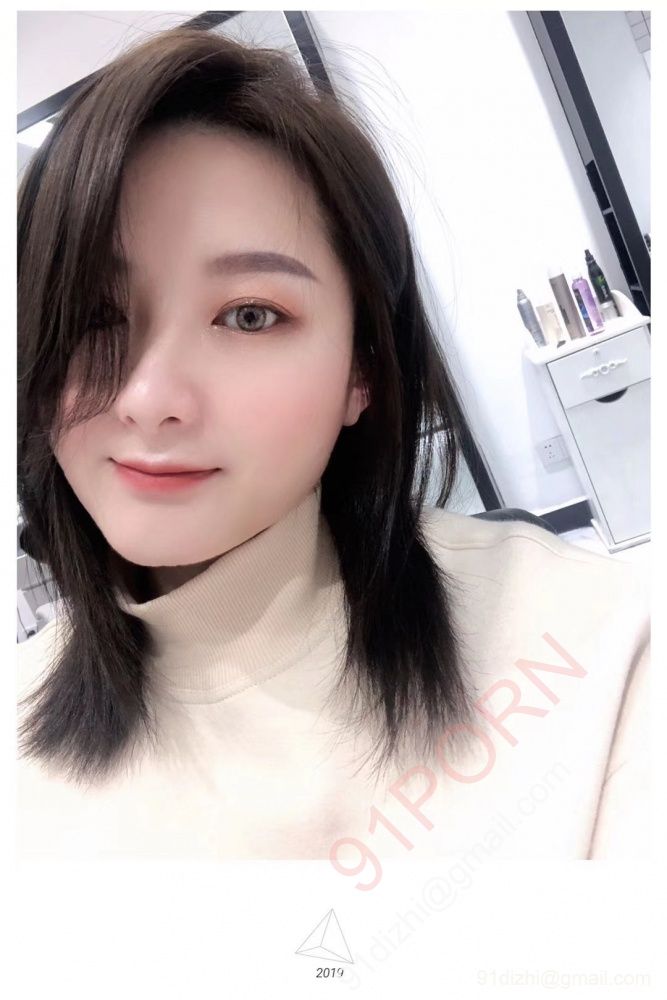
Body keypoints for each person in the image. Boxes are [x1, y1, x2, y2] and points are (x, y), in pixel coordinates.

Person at [17, 27, 649, 863]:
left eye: (249, 315)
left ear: (362, 370)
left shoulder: (593, 646)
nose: (148, 400)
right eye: (95, 317)